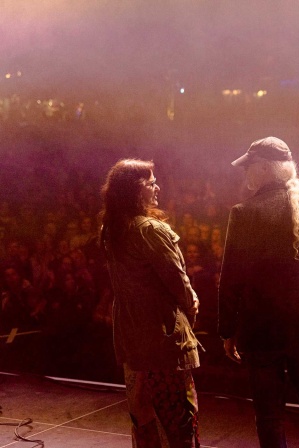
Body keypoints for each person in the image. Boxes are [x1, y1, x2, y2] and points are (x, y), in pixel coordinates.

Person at [218, 137, 299, 448]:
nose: (245, 174)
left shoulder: (244, 213)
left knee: (269, 413)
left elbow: (232, 278)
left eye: (249, 168)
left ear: (262, 168)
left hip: (262, 331)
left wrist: (227, 330)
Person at [99, 159, 201, 448]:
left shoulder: (112, 230)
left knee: (143, 416)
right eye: (150, 183)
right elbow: (179, 283)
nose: (157, 187)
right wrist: (191, 302)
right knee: (178, 420)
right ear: (134, 190)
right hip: (162, 339)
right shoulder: (150, 230)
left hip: (132, 336)